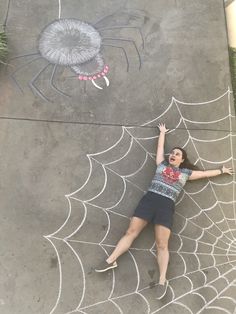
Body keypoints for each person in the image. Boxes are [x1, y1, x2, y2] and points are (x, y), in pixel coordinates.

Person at [94, 123, 233, 299]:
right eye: (172, 153)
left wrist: (221, 170)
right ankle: (110, 261)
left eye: (177, 154)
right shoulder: (161, 164)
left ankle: (161, 280)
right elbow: (160, 149)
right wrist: (162, 133)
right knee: (131, 232)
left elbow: (205, 174)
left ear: (182, 160)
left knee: (162, 245)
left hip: (166, 206)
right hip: (149, 200)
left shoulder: (186, 173)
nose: (173, 155)